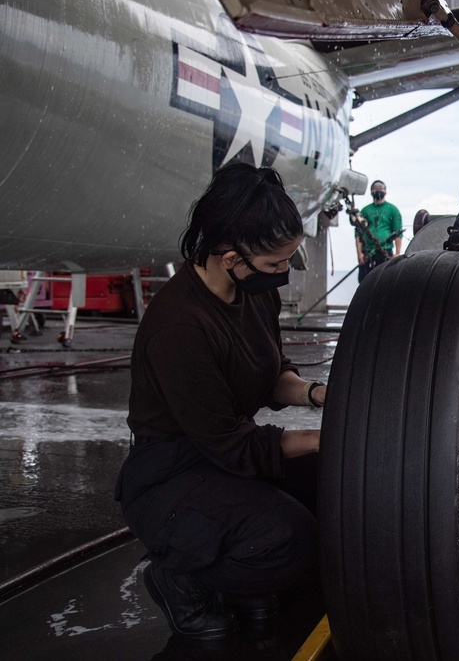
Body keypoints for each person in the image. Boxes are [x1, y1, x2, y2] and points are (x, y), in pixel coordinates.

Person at [115, 163, 326, 642]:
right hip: (172, 473)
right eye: (276, 265)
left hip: (222, 452)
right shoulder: (179, 326)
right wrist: (322, 436)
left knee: (338, 485)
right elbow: (233, 445)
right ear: (230, 258)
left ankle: (247, 582)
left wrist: (319, 395)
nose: (283, 275)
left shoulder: (254, 294)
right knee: (289, 539)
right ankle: (181, 578)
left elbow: (269, 374)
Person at [355, 179, 402, 282]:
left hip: (385, 251)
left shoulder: (392, 210)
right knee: (364, 281)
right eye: (375, 189)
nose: (378, 190)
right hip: (367, 252)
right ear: (371, 191)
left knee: (384, 281)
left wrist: (397, 253)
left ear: (385, 192)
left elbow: (398, 232)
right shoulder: (365, 210)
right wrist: (359, 253)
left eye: (380, 188)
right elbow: (358, 233)